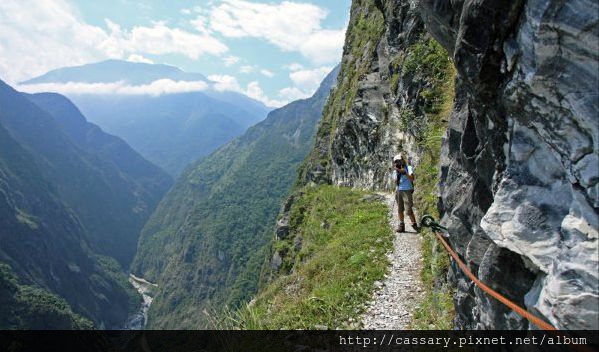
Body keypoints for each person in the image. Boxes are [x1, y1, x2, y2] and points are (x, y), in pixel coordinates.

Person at [392, 154, 419, 233]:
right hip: (399, 190)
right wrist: (398, 172)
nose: (399, 163)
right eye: (396, 162)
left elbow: (412, 178)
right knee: (400, 209)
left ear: (403, 160)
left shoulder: (409, 168)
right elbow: (395, 181)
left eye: (399, 161)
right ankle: (401, 225)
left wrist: (405, 172)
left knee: (408, 209)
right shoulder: (395, 171)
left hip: (407, 190)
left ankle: (414, 225)